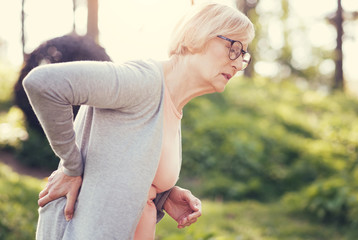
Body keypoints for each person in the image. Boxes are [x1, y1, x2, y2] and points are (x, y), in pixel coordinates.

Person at [23, 2, 255, 239]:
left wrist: (162, 194)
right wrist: (71, 167)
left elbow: (119, 163)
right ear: (199, 34)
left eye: (243, 55)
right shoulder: (142, 81)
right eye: (233, 48)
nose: (237, 63)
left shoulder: (172, 103)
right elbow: (44, 84)